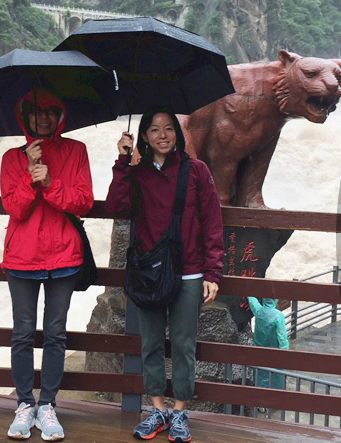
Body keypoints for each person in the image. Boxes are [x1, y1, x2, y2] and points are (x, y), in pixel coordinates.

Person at [106, 109, 224, 442]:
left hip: (189, 272)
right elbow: (116, 206)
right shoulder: (137, 174)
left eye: (169, 129)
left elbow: (213, 223)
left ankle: (180, 412)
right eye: (155, 130)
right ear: (143, 135)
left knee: (185, 345)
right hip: (149, 272)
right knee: (152, 344)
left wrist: (213, 272)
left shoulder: (196, 171)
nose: (162, 135)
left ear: (178, 134)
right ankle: (157, 408)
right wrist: (122, 162)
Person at [0, 89, 93, 442]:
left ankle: (48, 405)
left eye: (51, 111)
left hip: (64, 257)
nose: (43, 117)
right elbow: (15, 208)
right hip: (22, 258)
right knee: (22, 334)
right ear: (25, 115)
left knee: (56, 334)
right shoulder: (12, 158)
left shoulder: (76, 151)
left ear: (60, 116)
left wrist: (50, 182)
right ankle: (25, 403)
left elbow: (83, 201)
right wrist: (28, 174)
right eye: (36, 111)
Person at [247, 297, 289, 391]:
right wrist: (285, 353)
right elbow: (282, 337)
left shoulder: (259, 311)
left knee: (260, 376)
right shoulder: (278, 315)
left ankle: (260, 400)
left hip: (259, 353)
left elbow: (251, 299)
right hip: (275, 355)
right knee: (276, 379)